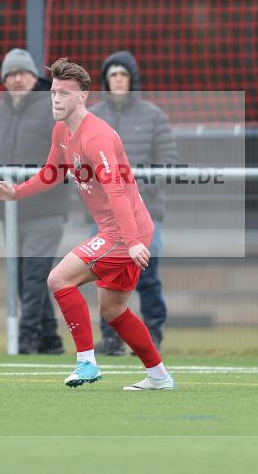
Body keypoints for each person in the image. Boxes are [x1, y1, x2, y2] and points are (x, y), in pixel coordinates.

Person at [0, 58, 175, 390]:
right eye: (53, 93)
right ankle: (160, 376)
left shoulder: (96, 137)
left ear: (82, 96)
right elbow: (52, 172)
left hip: (124, 231)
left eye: (63, 93)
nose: (55, 99)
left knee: (58, 278)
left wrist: (133, 241)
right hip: (121, 231)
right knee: (113, 311)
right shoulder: (62, 130)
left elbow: (116, 190)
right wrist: (15, 192)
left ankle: (87, 364)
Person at [90, 51, 177, 356]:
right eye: (112, 75)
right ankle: (111, 339)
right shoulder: (93, 117)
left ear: (132, 80)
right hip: (106, 217)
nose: (117, 80)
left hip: (145, 214)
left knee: (147, 275)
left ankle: (152, 334)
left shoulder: (153, 116)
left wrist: (134, 195)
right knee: (107, 275)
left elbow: (168, 161)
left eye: (123, 75)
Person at [0, 49, 67, 355]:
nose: (17, 79)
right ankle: (50, 340)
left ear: (34, 76)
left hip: (46, 209)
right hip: (10, 212)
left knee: (33, 276)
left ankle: (27, 339)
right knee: (22, 277)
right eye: (11, 74)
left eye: (23, 73)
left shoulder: (52, 108)